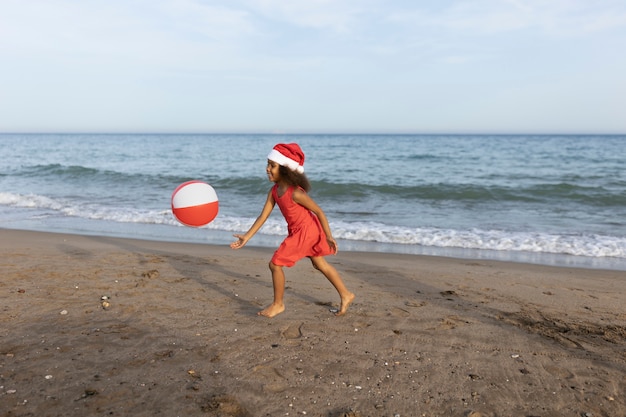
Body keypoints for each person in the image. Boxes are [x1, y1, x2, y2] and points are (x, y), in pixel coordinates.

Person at [230, 143, 355, 318]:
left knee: (275, 264)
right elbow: (263, 216)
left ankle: (278, 304)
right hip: (299, 231)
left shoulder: (295, 193)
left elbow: (318, 211)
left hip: (306, 232)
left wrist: (329, 236)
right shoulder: (274, 191)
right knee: (319, 264)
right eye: (267, 164)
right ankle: (346, 294)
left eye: (272, 166)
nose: (267, 169)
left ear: (285, 169)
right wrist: (246, 237)